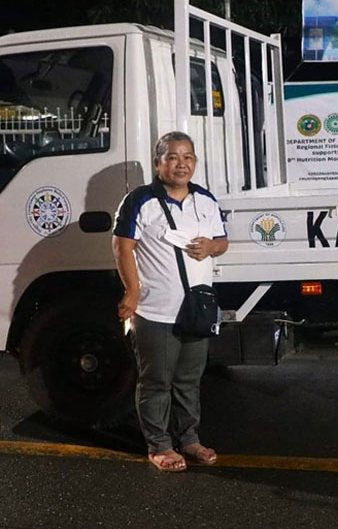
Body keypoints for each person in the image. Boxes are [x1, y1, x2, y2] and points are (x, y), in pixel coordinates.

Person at [112, 131, 229, 472]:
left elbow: (222, 242)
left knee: (189, 381)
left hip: (197, 309)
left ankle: (189, 439)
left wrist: (211, 246)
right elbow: (122, 247)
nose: (182, 164)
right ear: (158, 163)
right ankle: (159, 445)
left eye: (188, 157)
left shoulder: (205, 200)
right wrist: (132, 292)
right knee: (157, 381)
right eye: (173, 157)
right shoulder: (140, 200)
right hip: (155, 309)